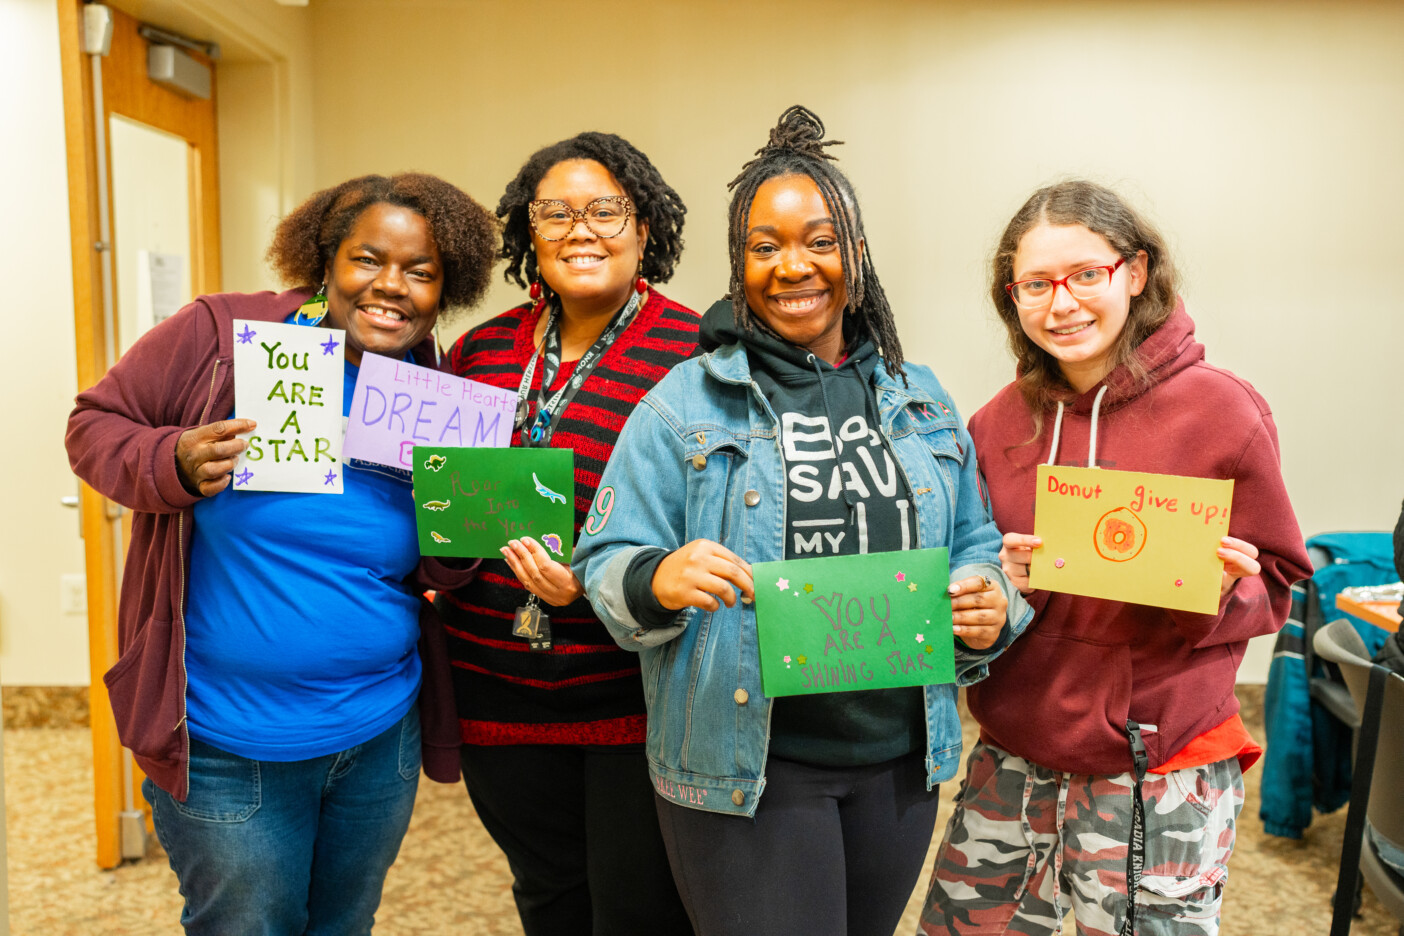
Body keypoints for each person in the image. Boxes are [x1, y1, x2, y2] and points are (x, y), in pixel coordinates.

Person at [573, 106, 1031, 936]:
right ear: (739, 264)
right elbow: (606, 557)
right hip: (752, 766)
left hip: (899, 762)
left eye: (820, 241)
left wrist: (990, 594)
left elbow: (974, 540)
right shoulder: (685, 403)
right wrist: (658, 578)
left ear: (854, 255)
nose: (795, 266)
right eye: (765, 246)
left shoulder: (919, 395)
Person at [66, 173, 498, 935]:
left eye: (421, 272)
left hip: (376, 736)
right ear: (327, 259)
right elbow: (94, 426)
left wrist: (470, 522)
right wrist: (173, 459)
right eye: (368, 260)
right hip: (226, 742)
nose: (390, 287)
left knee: (343, 925)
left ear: (446, 288)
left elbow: (438, 571)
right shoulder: (220, 338)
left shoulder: (434, 391)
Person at [919, 180, 1312, 936]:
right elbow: (971, 571)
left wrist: (1225, 590)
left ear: (1134, 273)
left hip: (1159, 767)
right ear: (1013, 298)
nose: (1060, 304)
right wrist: (1000, 584)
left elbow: (1282, 577)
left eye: (1084, 276)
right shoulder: (996, 423)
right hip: (1015, 758)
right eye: (1035, 285)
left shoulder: (1224, 410)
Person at [437, 131, 698, 935]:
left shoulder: (698, 354)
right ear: (528, 233)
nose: (580, 229)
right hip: (496, 687)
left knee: (638, 909)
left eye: (605, 211)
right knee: (547, 894)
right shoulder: (479, 352)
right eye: (555, 213)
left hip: (634, 692)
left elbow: (726, 517)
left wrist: (597, 578)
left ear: (645, 229)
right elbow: (441, 499)